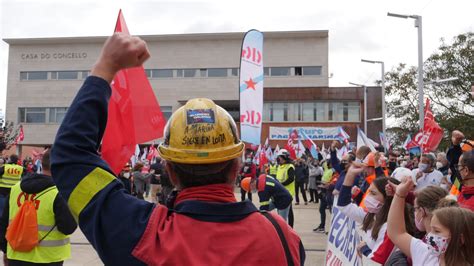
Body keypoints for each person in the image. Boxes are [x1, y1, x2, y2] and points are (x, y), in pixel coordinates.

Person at [50, 33, 305, 265]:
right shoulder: (282, 237)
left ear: (170, 170)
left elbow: (70, 157)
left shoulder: (144, 235)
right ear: (236, 166)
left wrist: (105, 67)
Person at [0, 149, 77, 265]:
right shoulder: (59, 192)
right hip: (48, 258)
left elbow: (3, 223)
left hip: (16, 256)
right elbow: (68, 227)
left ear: (42, 164)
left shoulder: (16, 189)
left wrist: (6, 251)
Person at [337, 163, 414, 264]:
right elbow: (344, 205)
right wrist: (350, 175)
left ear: (388, 198)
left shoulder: (391, 227)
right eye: (368, 192)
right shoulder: (372, 215)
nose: (368, 196)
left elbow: (376, 261)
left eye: (373, 193)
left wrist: (364, 248)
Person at [387, 178, 474, 266]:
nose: (429, 236)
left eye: (437, 231)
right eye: (431, 229)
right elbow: (396, 233)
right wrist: (399, 194)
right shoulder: (427, 254)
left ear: (459, 240)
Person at [275, 149, 296, 228]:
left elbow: (291, 179)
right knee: (279, 209)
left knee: (289, 211)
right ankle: (282, 226)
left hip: (288, 192)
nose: (278, 159)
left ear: (283, 157)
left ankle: (290, 228)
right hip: (279, 192)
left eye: (279, 157)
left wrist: (281, 185)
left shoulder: (290, 167)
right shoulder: (280, 167)